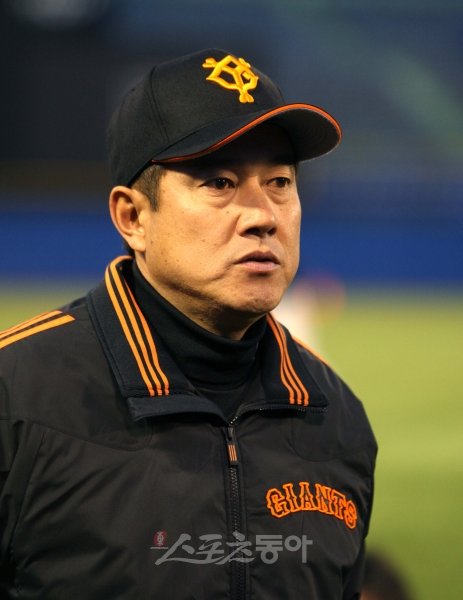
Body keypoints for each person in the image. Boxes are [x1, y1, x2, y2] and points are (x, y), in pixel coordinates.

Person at [0, 48, 377, 599]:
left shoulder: (338, 419)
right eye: (219, 183)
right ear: (133, 217)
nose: (263, 216)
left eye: (280, 181)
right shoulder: (16, 396)